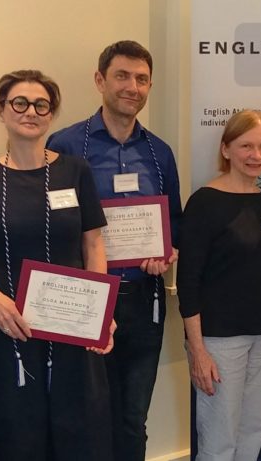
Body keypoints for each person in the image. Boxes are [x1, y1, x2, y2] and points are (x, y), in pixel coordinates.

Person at [0, 69, 115, 460]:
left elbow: (93, 243)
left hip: (73, 322)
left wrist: (101, 311)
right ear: (2, 110)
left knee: (76, 429)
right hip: (10, 322)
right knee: (16, 432)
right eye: (20, 103)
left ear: (51, 113)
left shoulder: (75, 170)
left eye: (41, 105)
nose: (31, 111)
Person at [47, 40, 182, 461]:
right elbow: (52, 223)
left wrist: (168, 253)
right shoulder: (66, 145)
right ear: (100, 80)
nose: (132, 87)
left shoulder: (159, 153)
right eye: (122, 76)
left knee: (132, 418)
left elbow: (174, 223)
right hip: (87, 298)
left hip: (144, 299)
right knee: (86, 412)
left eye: (142, 79)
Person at [179, 110, 261, 461]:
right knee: (219, 435)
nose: (257, 155)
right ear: (226, 149)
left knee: (253, 428)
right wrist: (197, 350)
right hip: (220, 339)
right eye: (246, 146)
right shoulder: (204, 202)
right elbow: (188, 280)